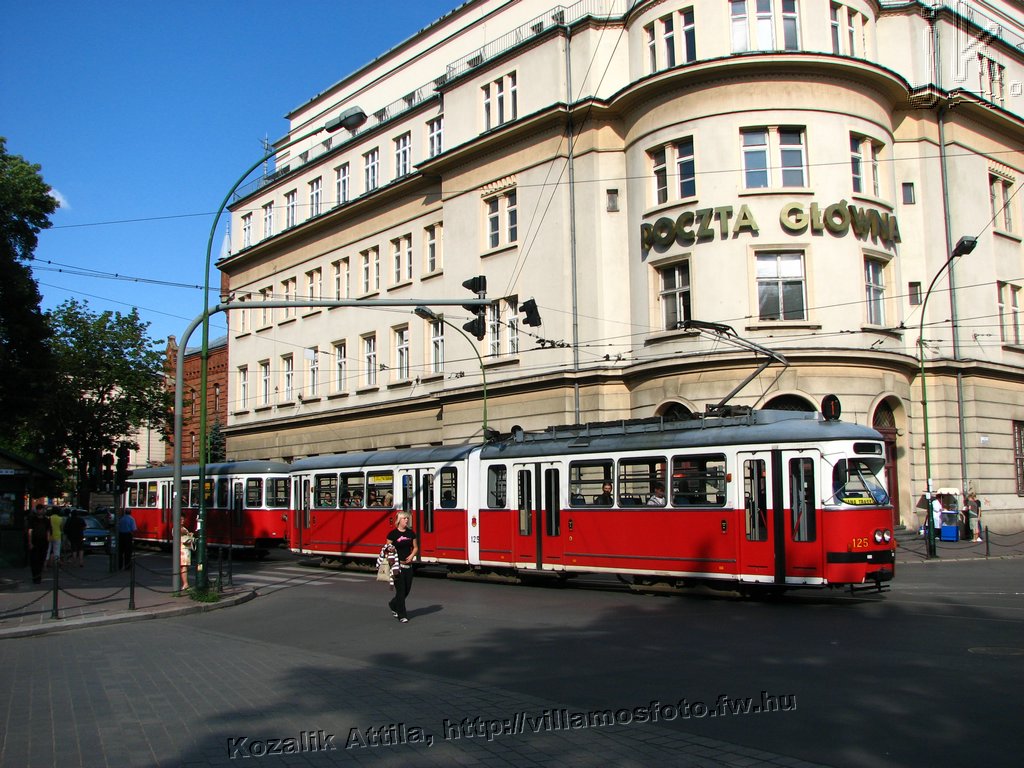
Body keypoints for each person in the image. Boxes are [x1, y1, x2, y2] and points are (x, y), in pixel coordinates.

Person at [386, 510, 418, 623]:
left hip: (408, 566)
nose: (407, 520)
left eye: (407, 518)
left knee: (406, 590)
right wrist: (391, 556)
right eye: (404, 518)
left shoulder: (411, 533)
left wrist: (412, 555)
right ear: (399, 520)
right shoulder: (392, 534)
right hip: (397, 566)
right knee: (400, 591)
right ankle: (402, 615)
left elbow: (415, 547)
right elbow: (387, 549)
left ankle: (393, 604)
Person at [26, 505, 49, 583]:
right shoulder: (33, 519)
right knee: (34, 560)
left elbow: (48, 531)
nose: (40, 511)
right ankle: (35, 576)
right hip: (34, 542)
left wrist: (48, 541)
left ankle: (38, 576)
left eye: (41, 509)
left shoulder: (46, 520)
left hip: (44, 543)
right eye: (38, 509)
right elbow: (30, 531)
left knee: (41, 560)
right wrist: (30, 542)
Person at [179, 522, 195, 590]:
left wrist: (189, 534)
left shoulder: (184, 528)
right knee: (184, 566)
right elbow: (181, 532)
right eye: (181, 519)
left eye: (183, 519)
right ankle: (185, 584)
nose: (183, 521)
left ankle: (186, 583)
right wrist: (188, 534)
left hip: (186, 549)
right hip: (182, 549)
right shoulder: (178, 528)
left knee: (184, 567)